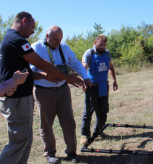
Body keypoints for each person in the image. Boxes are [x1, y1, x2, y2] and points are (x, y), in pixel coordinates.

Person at [0, 12, 84, 164]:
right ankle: (48, 153)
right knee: (19, 141)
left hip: (21, 97)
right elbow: (42, 64)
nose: (33, 31)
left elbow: (26, 73)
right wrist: (68, 77)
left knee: (25, 140)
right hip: (18, 99)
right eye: (32, 27)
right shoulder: (17, 40)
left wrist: (45, 76)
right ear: (24, 21)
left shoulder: (12, 39)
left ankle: (71, 151)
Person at [30, 26, 92, 163]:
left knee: (69, 122)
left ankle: (71, 152)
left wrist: (85, 77)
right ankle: (50, 153)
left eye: (60, 39)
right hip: (43, 92)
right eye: (55, 39)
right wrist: (45, 76)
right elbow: (28, 73)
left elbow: (75, 63)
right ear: (47, 36)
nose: (58, 42)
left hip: (63, 90)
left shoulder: (64, 47)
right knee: (46, 124)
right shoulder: (35, 48)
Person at [80, 35, 118, 145]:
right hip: (92, 87)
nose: (103, 47)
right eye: (101, 44)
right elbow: (84, 68)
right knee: (89, 111)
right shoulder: (89, 53)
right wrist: (84, 82)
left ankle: (99, 131)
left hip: (103, 85)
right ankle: (85, 135)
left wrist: (114, 80)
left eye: (105, 45)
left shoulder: (107, 53)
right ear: (95, 42)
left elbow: (110, 67)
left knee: (103, 110)